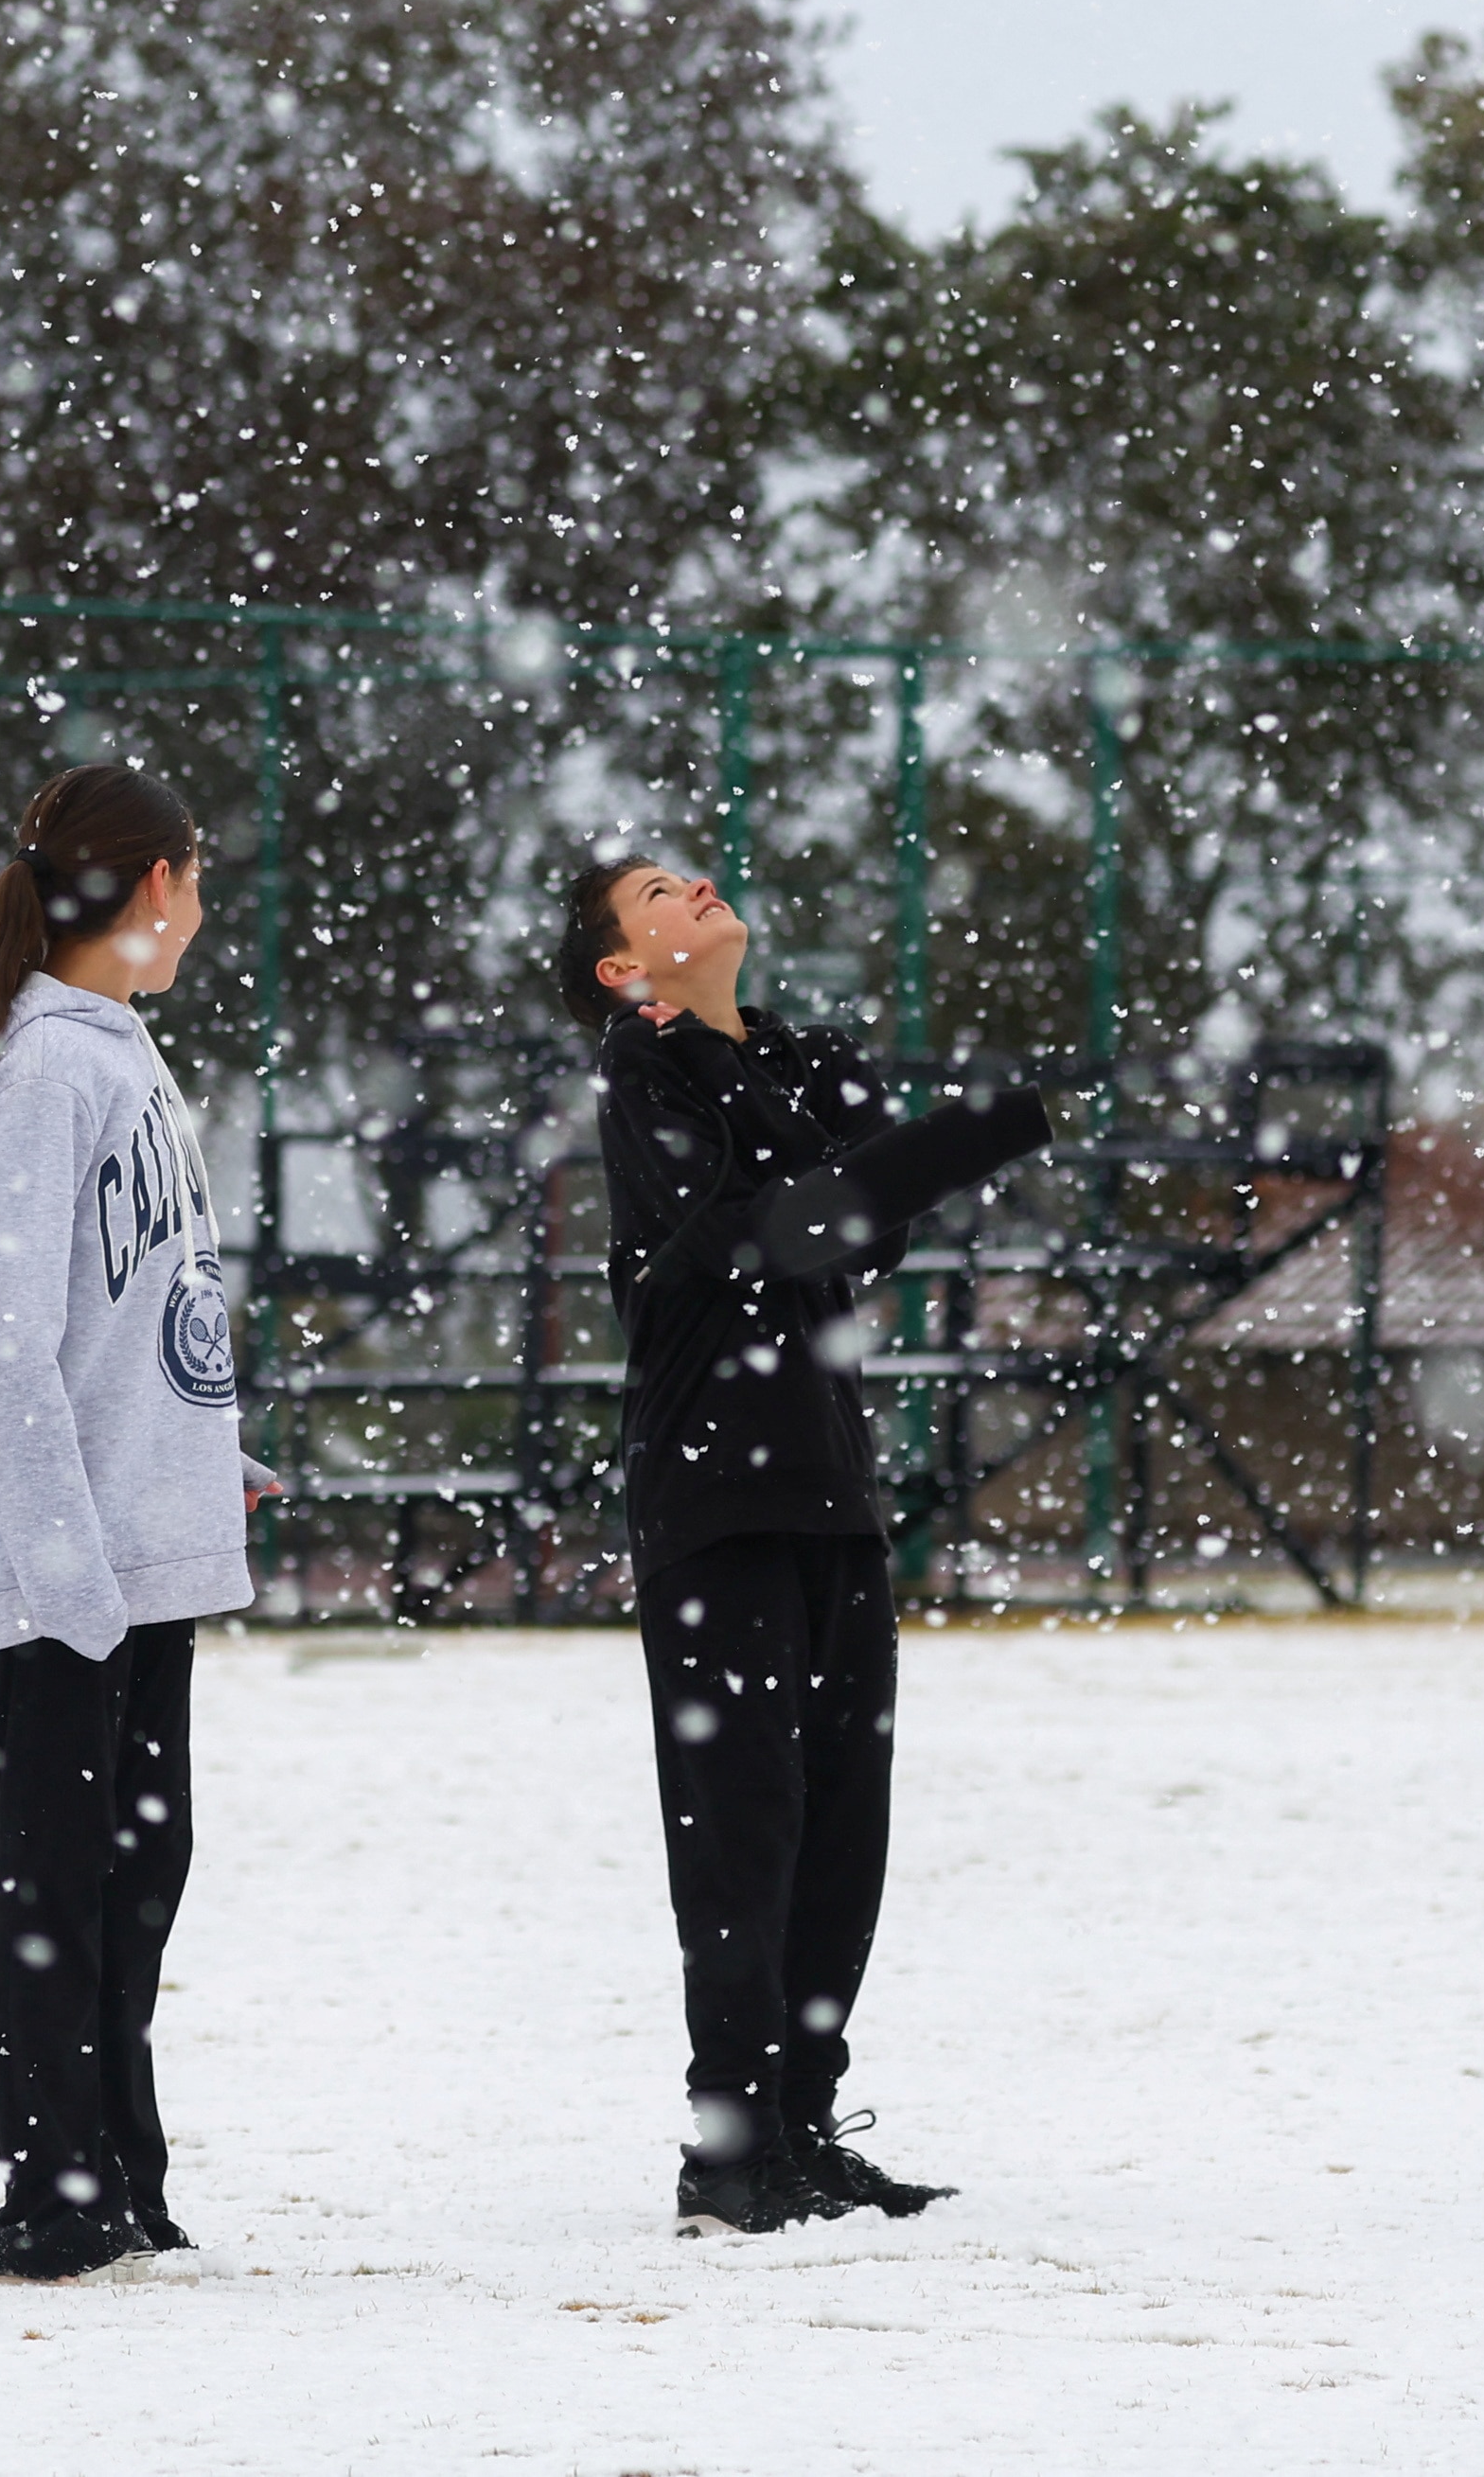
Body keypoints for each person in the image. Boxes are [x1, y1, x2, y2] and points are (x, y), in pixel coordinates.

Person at [560, 854, 1052, 2237]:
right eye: (659, 890)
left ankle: (801, 2124)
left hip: (833, 1489)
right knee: (742, 1827)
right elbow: (773, 1232)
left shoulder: (796, 1059)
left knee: (845, 1821)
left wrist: (911, 1150)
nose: (698, 885)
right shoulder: (640, 1077)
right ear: (621, 965)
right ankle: (729, 2150)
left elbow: (857, 1231)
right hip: (713, 1501)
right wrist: (977, 1131)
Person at [0, 762, 272, 2286]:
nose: (201, 903)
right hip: (71, 1572)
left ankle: (123, 2174)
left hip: (134, 1547)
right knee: (60, 1873)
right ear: (156, 882)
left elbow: (131, 1316)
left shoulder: (117, 1053)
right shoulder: (46, 1067)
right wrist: (69, 1571)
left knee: (137, 1868)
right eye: (197, 873)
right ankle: (52, 2189)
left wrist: (201, 1456)